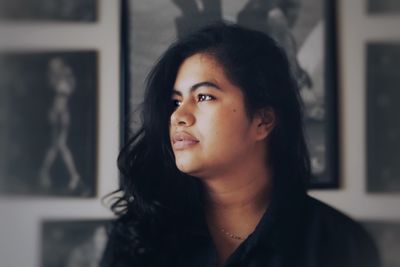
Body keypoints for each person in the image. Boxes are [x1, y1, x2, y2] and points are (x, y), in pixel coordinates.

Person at [101, 23, 380, 267]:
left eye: (204, 97)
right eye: (175, 101)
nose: (178, 116)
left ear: (263, 120)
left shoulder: (339, 244)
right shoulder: (136, 237)